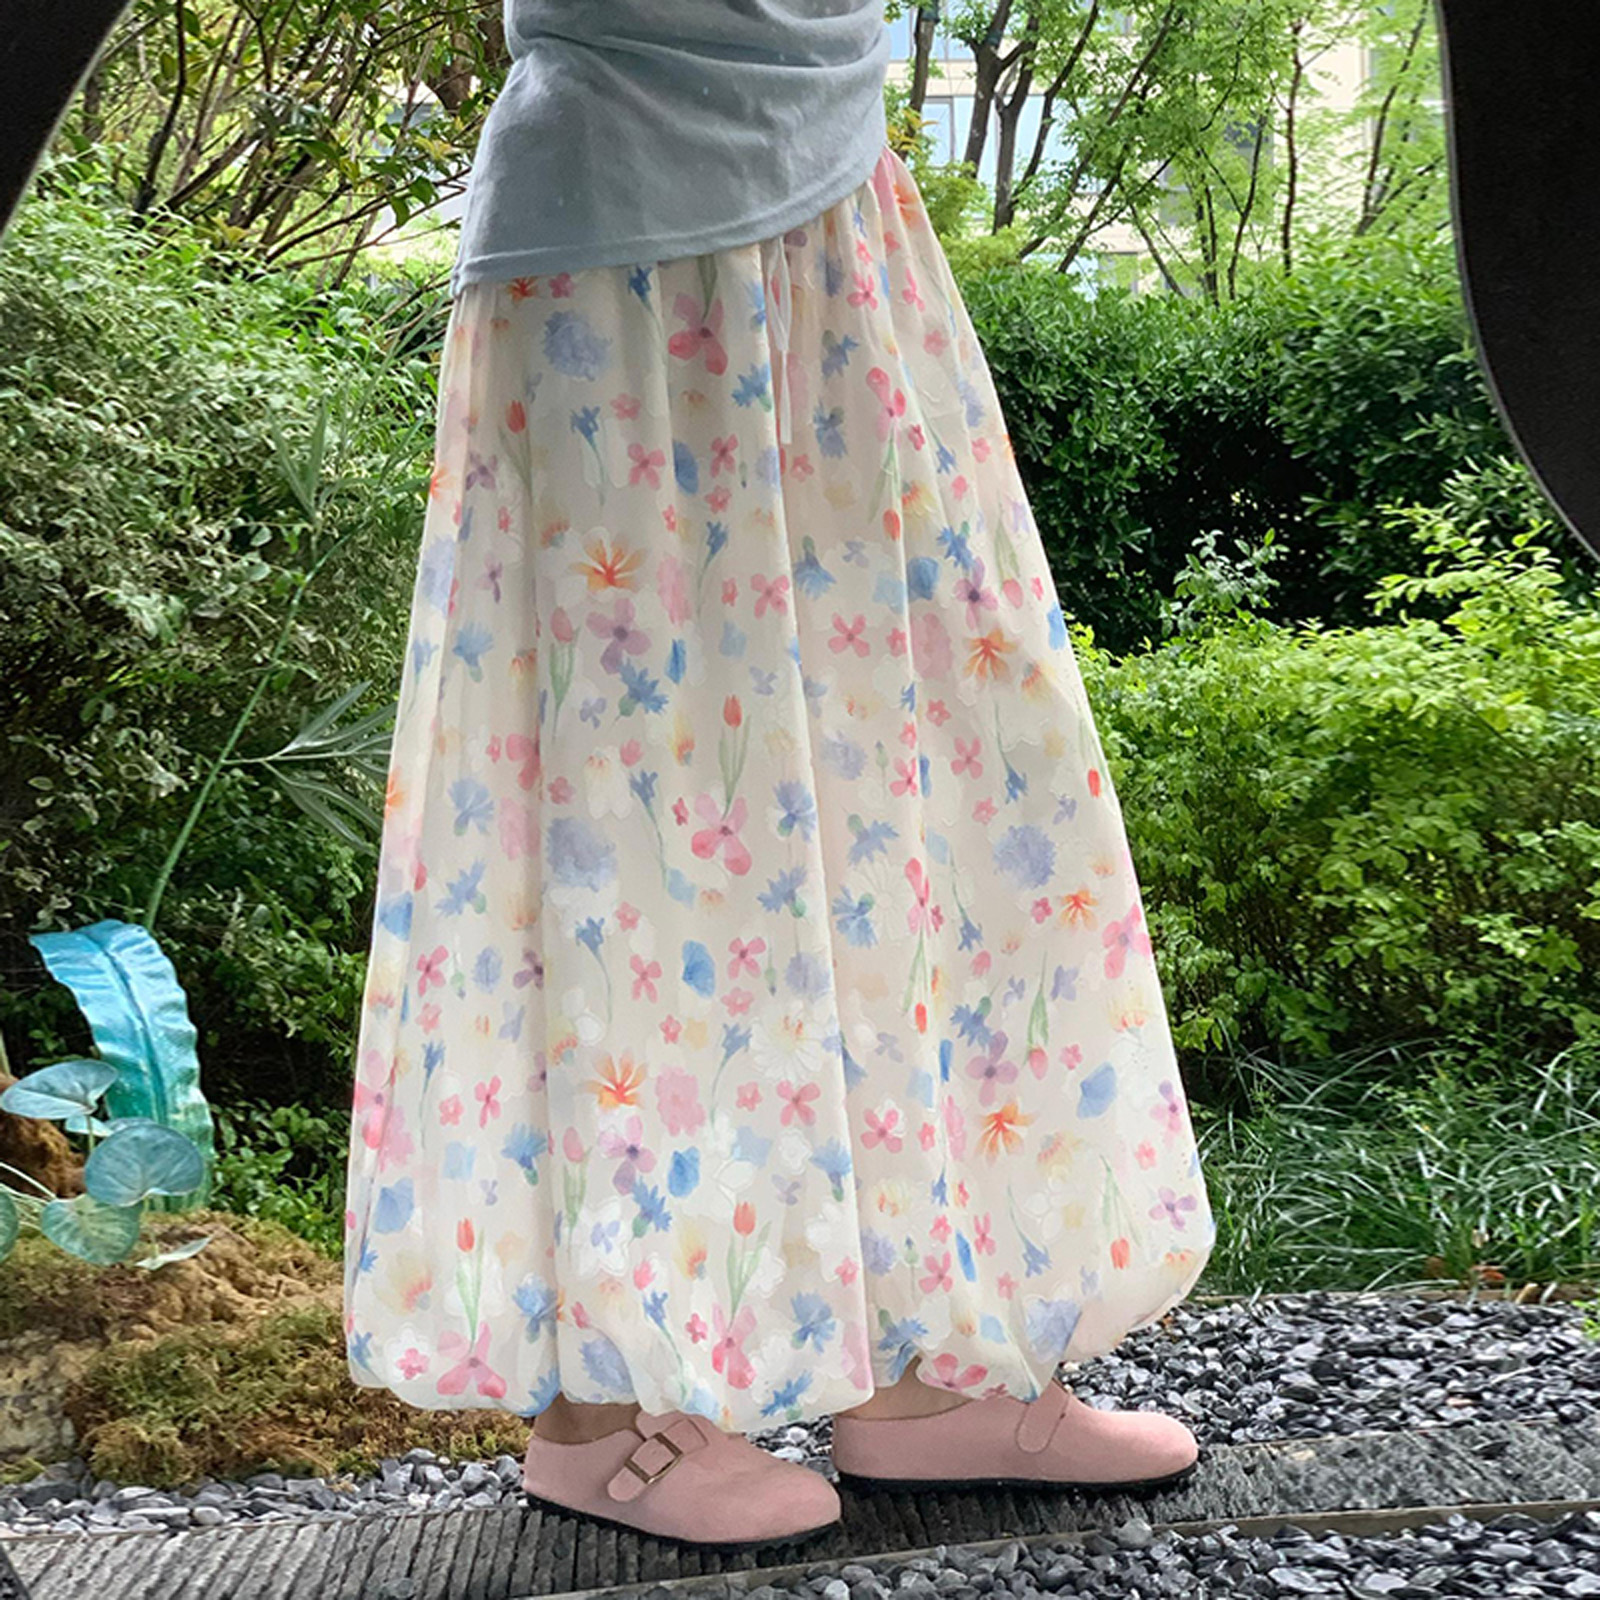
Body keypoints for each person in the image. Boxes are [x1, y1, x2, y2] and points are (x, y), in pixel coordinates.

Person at [343, 0, 1216, 1551]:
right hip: (624, 230)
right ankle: (604, 1410)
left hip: (839, 210)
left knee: (927, 778)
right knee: (644, 820)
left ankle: (932, 1372)